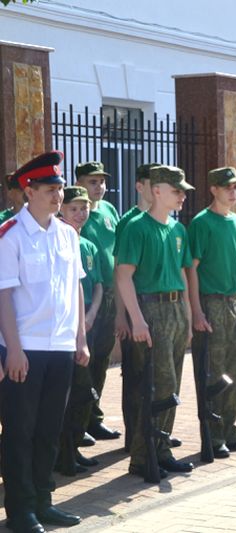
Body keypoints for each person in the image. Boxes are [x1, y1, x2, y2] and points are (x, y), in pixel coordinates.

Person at [0, 151, 90, 532]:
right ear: (28, 190)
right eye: (51, 190)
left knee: (50, 430)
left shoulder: (68, 234)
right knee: (21, 431)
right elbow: (3, 294)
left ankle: (43, 500)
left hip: (61, 347)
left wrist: (81, 338)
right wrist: (14, 349)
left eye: (60, 189)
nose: (58, 197)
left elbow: (76, 289)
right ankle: (20, 511)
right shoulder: (10, 235)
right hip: (26, 348)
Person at [116, 165, 195, 480]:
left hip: (174, 311)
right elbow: (123, 276)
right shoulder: (137, 227)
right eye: (177, 191)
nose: (182, 197)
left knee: (171, 385)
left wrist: (188, 318)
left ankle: (160, 450)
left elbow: (183, 275)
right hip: (150, 310)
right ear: (158, 191)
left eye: (183, 192)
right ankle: (142, 456)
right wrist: (136, 320)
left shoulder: (177, 230)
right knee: (155, 386)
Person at [188, 166, 236, 458]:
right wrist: (196, 311)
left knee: (235, 370)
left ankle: (230, 429)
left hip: (234, 303)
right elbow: (191, 269)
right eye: (228, 187)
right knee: (213, 372)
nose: (234, 191)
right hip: (212, 302)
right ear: (214, 189)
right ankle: (213, 436)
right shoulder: (202, 223)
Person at [55, 186, 103, 476]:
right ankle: (62, 455)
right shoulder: (59, 240)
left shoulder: (88, 245)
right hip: (64, 327)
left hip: (87, 323)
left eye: (84, 208)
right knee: (67, 394)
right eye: (74, 208)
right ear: (62, 210)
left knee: (84, 393)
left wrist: (92, 313)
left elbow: (97, 283)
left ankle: (73, 447)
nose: (80, 213)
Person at [113, 162, 159, 451]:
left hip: (159, 311)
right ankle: (135, 437)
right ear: (139, 187)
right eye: (152, 184)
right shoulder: (129, 222)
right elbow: (121, 272)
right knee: (134, 375)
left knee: (158, 376)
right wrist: (121, 315)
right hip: (135, 308)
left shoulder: (163, 221)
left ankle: (154, 433)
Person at [75, 161, 122, 442]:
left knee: (101, 358)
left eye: (102, 182)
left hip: (110, 294)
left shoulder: (108, 210)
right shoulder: (76, 213)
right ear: (79, 183)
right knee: (83, 361)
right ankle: (77, 423)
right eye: (93, 182)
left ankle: (94, 417)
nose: (99, 187)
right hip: (87, 298)